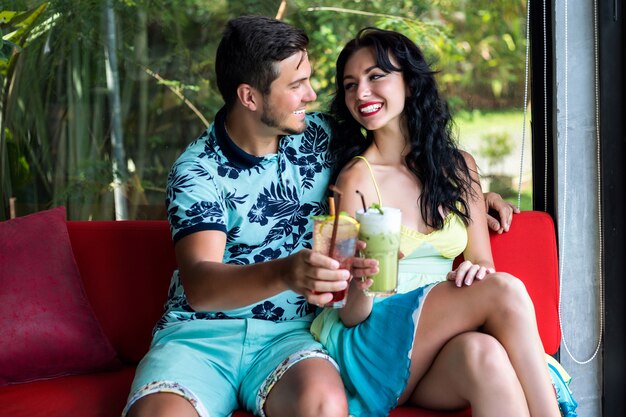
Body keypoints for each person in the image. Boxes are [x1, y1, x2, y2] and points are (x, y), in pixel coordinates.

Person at [123, 16, 521, 417]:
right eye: (296, 86)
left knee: (325, 406)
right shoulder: (197, 172)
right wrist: (285, 273)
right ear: (249, 97)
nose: (312, 95)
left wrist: (473, 195)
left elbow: (401, 157)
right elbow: (202, 286)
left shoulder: (319, 136)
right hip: (200, 335)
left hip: (291, 336)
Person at [310, 27, 563, 417]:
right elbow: (350, 312)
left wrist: (467, 281)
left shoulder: (460, 169)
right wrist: (359, 279)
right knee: (506, 290)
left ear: (410, 83)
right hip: (373, 340)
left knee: (485, 356)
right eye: (349, 85)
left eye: (376, 76)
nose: (361, 93)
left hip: (439, 344)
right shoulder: (356, 180)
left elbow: (483, 263)